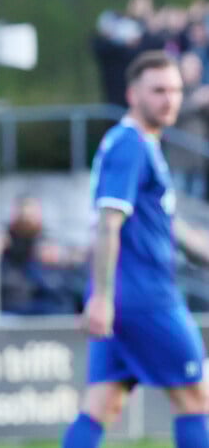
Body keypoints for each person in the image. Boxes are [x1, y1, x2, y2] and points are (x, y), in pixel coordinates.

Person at [63, 50, 209, 448]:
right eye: (159, 90)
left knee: (102, 404)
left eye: (176, 90)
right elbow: (109, 223)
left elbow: (167, 226)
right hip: (143, 297)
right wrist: (103, 300)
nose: (170, 99)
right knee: (197, 398)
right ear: (133, 94)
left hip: (124, 298)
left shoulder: (142, 145)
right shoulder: (130, 144)